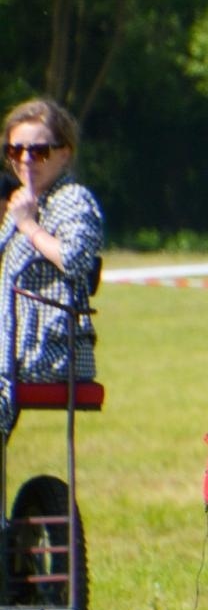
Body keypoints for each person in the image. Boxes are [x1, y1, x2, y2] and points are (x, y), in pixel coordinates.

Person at [0, 97, 102, 434]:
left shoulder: (72, 199)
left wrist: (29, 226)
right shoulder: (25, 201)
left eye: (39, 150)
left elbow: (75, 260)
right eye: (16, 151)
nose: (26, 159)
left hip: (45, 352)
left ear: (65, 152)